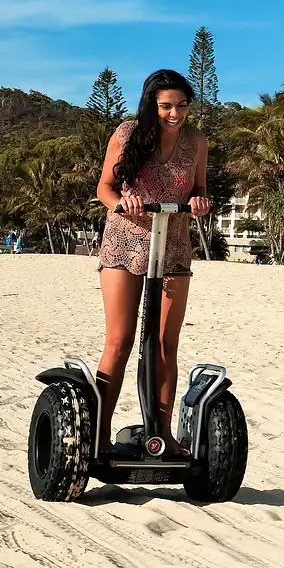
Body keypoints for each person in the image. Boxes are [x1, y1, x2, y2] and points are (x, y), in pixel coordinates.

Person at [95, 69, 210, 457]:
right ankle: (98, 435)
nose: (174, 114)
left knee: (165, 344)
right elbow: (104, 188)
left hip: (173, 245)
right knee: (121, 340)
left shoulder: (196, 142)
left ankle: (161, 436)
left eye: (181, 105)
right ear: (151, 105)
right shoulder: (127, 134)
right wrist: (120, 203)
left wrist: (198, 203)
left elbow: (199, 190)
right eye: (166, 106)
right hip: (125, 242)